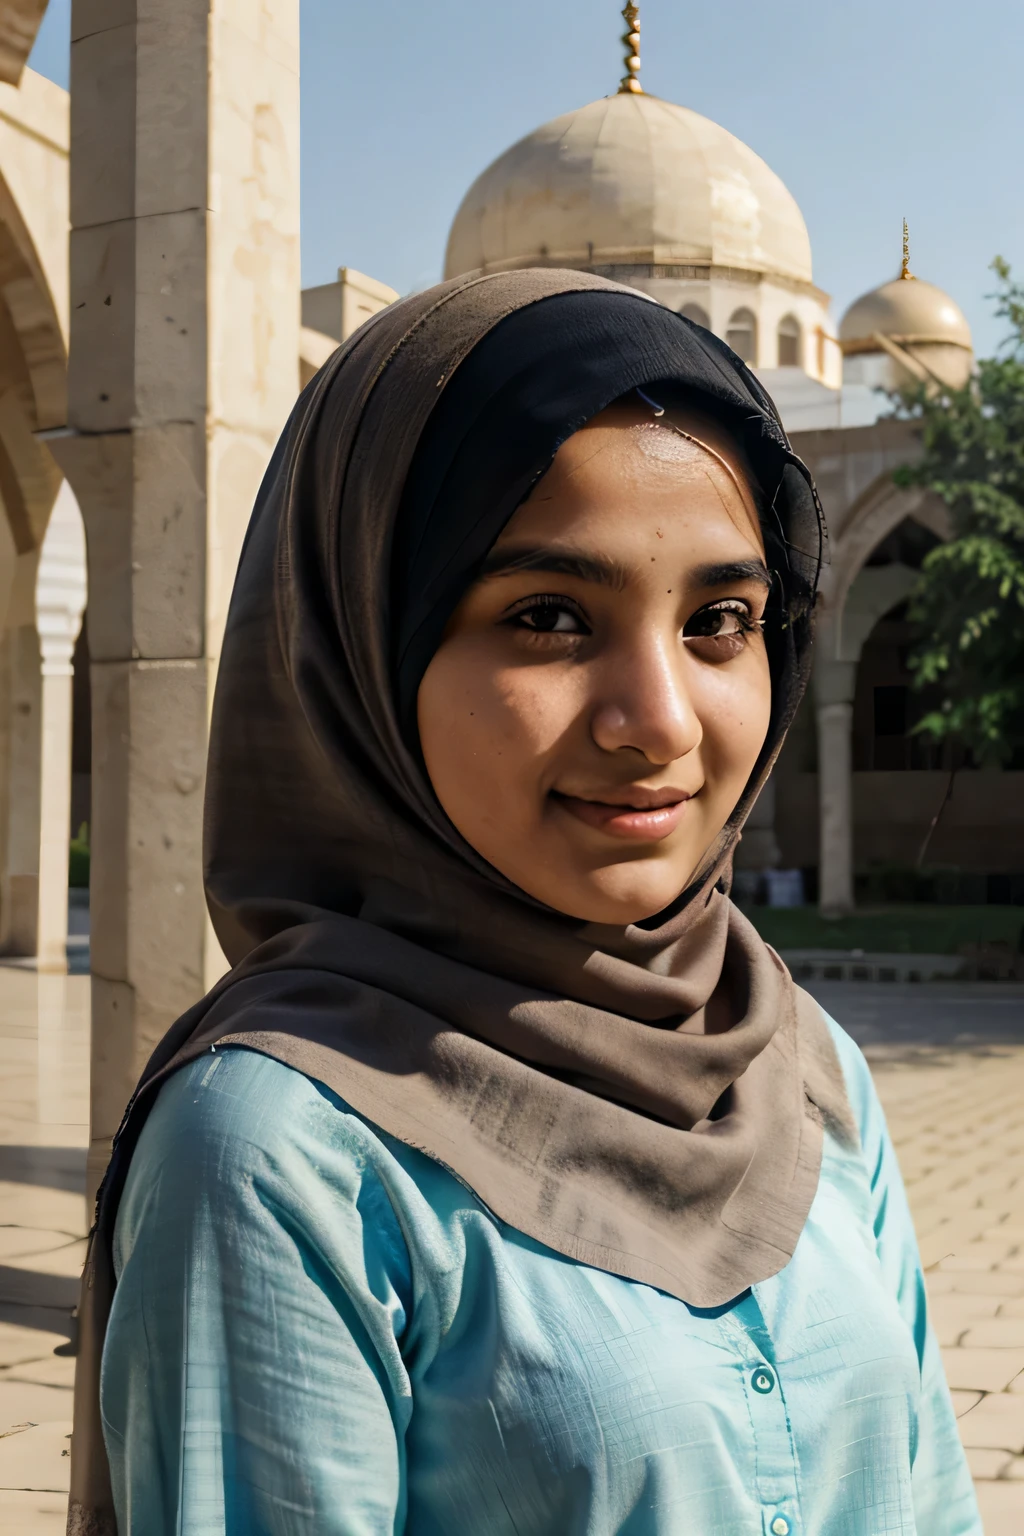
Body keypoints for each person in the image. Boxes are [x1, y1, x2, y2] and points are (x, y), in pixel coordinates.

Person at [68, 270, 980, 1536]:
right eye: (548, 617)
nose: (657, 722)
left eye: (721, 620)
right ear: (364, 646)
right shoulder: (282, 1154)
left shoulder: (797, 1059)